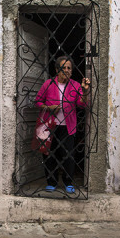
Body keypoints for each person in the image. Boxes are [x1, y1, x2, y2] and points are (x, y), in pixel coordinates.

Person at [34, 56, 90, 194]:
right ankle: (51, 182)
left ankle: (68, 182)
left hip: (67, 126)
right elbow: (38, 101)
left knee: (68, 155)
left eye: (69, 68)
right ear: (57, 69)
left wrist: (85, 91)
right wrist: (48, 108)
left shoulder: (76, 85)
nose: (66, 70)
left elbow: (82, 104)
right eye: (63, 67)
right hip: (49, 126)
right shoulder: (48, 84)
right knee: (49, 154)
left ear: (72, 71)